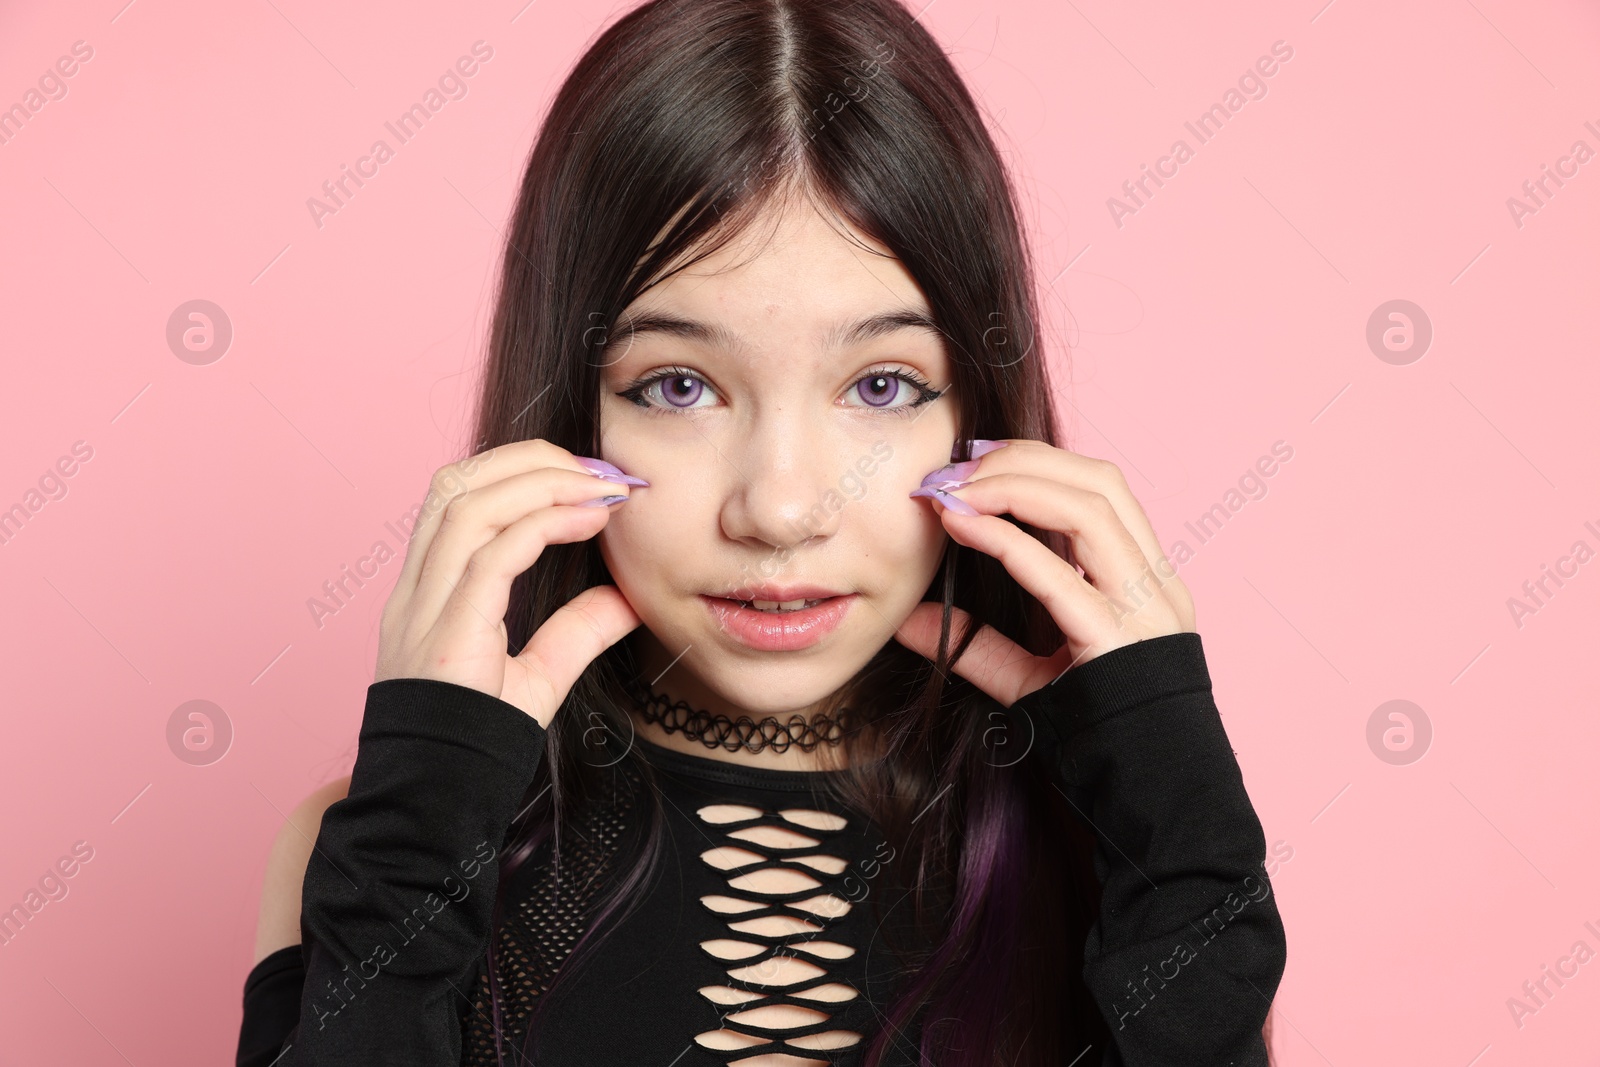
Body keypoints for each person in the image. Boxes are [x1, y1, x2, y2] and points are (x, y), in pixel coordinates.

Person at [236, 1, 1288, 1064]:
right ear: (567, 411)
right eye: (678, 384)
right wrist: (422, 810)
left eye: (881, 383)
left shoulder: (1105, 844)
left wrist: (1176, 815)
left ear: (976, 411)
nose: (781, 510)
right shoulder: (383, 850)